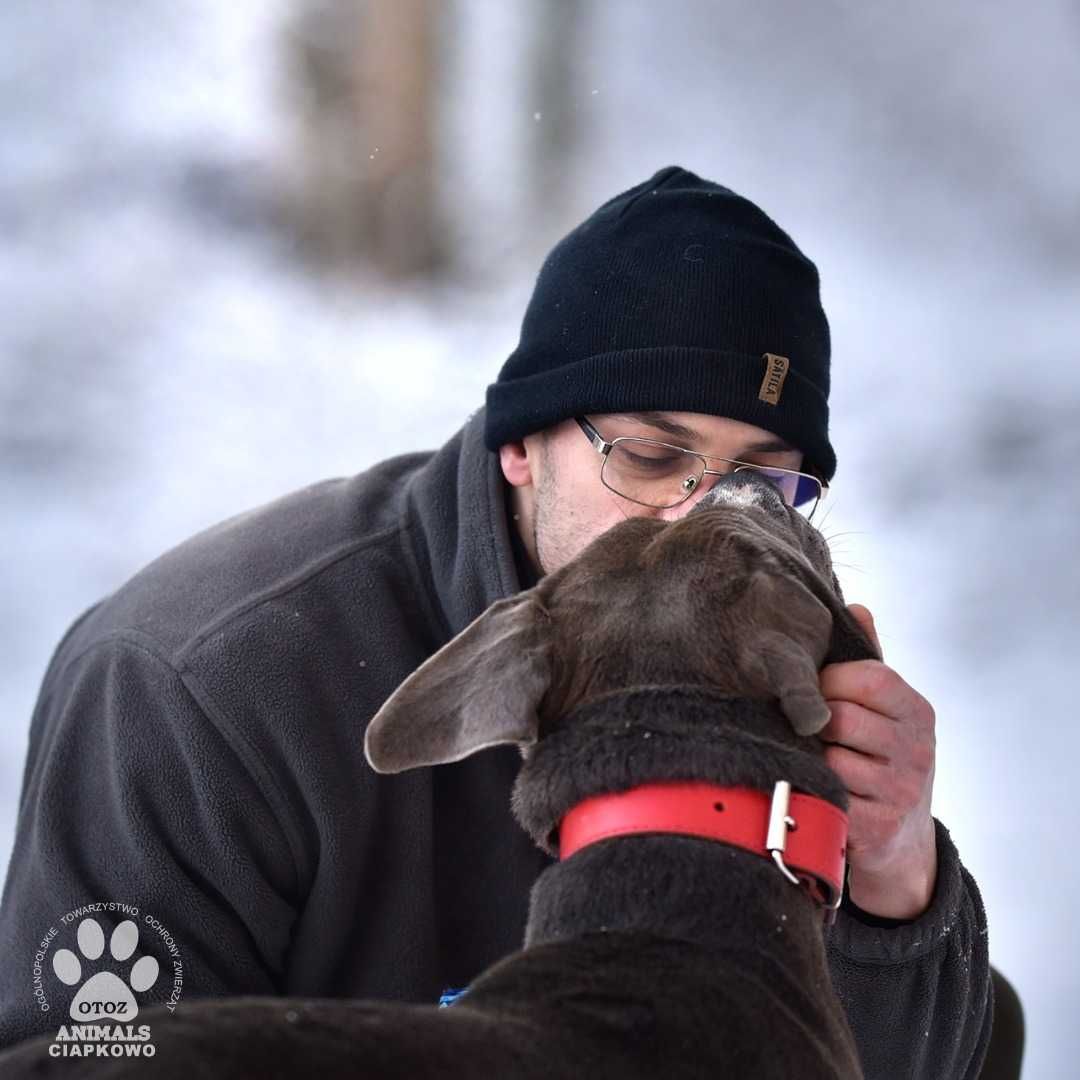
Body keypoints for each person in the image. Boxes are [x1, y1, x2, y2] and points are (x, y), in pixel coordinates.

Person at [0, 165, 1004, 1077]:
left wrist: (895, 890)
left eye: (764, 481)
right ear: (523, 443)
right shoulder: (203, 678)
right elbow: (77, 1052)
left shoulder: (764, 652)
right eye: (653, 458)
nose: (706, 515)